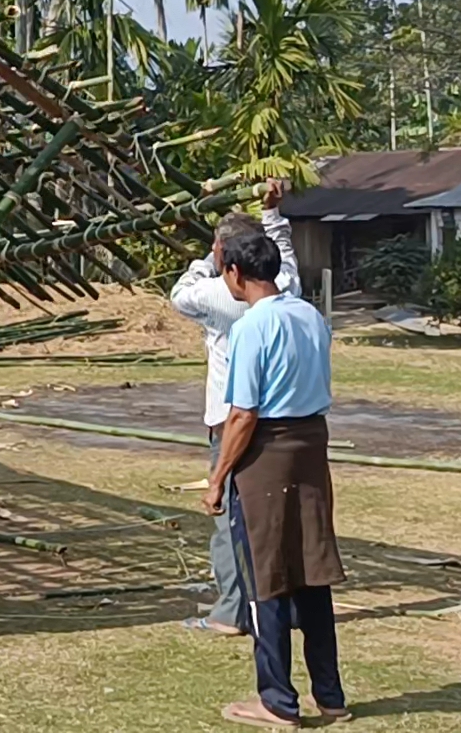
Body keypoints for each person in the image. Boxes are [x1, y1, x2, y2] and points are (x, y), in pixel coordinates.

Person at [203, 232, 347, 730]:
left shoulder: (250, 327)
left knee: (267, 578)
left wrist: (218, 477)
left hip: (268, 453)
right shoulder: (311, 315)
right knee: (312, 570)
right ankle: (330, 695)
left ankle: (277, 700)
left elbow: (243, 414)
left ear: (236, 274)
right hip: (312, 445)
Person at [170, 181, 298, 638]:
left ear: (230, 261)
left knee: (227, 517)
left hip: (233, 417)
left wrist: (208, 259)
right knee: (276, 517)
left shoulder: (218, 293)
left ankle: (230, 609)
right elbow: (288, 259)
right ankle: (279, 602)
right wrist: (274, 215)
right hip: (283, 419)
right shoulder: (288, 293)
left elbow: (180, 294)